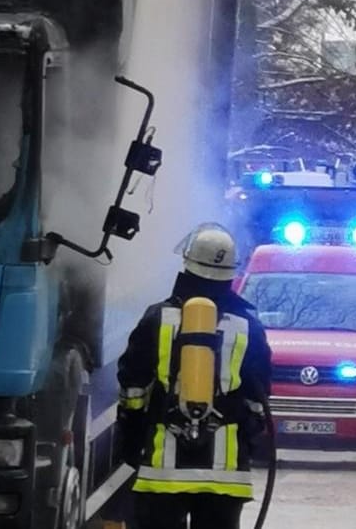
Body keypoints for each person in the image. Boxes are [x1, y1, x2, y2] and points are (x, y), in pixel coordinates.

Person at [116, 223, 274, 529]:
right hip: (226, 476)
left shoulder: (157, 318)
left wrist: (133, 438)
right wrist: (247, 443)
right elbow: (259, 398)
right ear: (230, 273)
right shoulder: (248, 327)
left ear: (187, 265)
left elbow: (133, 387)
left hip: (164, 472)